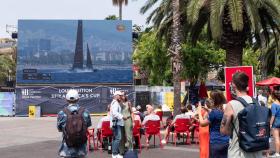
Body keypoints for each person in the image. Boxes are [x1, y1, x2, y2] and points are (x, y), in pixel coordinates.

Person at [220, 72, 263, 158]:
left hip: (238, 152)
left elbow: (223, 131)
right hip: (256, 152)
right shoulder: (256, 102)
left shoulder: (232, 104)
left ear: (233, 85)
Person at [57, 89, 92, 158]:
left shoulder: (62, 112)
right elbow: (88, 125)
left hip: (66, 149)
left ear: (66, 99)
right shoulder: (85, 111)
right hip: (81, 149)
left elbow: (59, 128)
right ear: (78, 99)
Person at [198, 90, 229, 158]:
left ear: (214, 100)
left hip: (216, 141)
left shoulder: (214, 113)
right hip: (226, 141)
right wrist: (208, 110)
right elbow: (217, 116)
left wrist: (199, 112)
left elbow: (202, 123)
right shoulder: (226, 110)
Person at [110, 91, 128, 158]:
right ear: (116, 95)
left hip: (116, 123)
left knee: (116, 138)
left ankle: (115, 153)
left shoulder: (115, 102)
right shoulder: (115, 103)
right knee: (118, 138)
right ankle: (114, 153)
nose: (120, 97)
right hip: (116, 123)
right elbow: (114, 113)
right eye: (120, 95)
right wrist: (122, 117)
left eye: (121, 95)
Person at [270, 86, 280, 157]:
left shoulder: (274, 104)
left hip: (276, 122)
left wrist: (270, 124)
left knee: (276, 138)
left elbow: (273, 115)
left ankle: (277, 153)